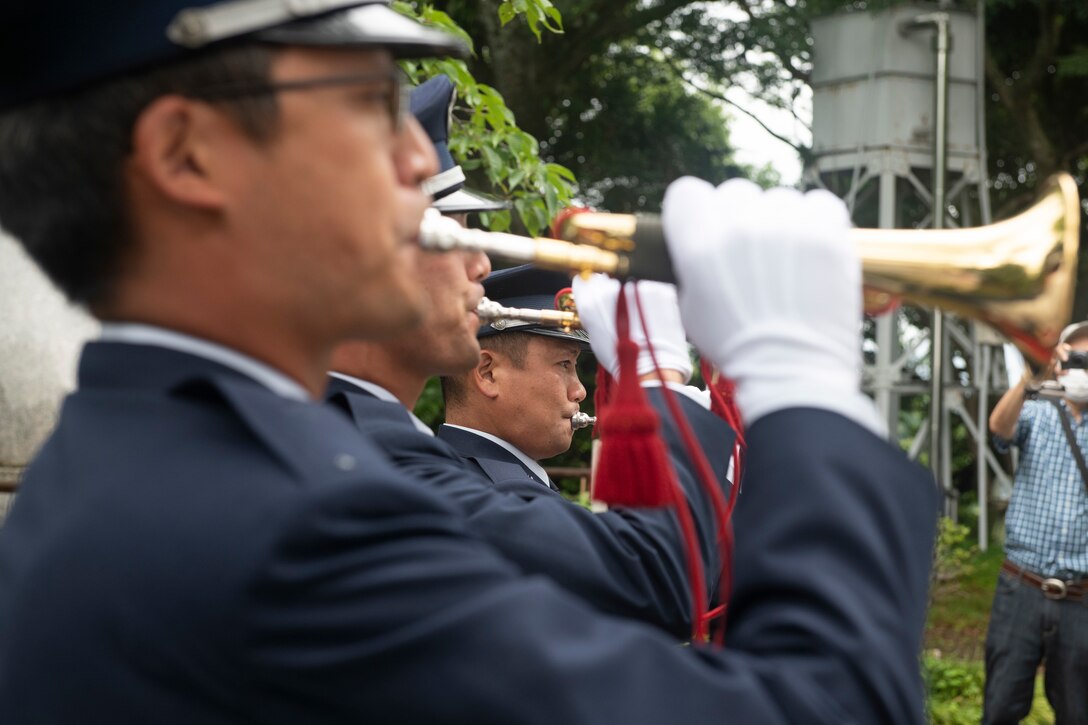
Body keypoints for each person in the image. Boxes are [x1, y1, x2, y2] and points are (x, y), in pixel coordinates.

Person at [0, 3, 939, 722]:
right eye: (369, 105)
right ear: (188, 154)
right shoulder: (287, 526)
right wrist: (802, 382)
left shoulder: (159, 462)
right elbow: (824, 704)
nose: (419, 164)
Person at [326, 76, 730, 637]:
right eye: (451, 240)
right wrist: (657, 375)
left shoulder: (377, 443)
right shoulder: (388, 463)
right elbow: (652, 584)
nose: (480, 266)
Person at [983, 321, 1088, 724]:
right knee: (1000, 708)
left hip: (1081, 598)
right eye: (1076, 358)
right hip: (1021, 588)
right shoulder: (1038, 411)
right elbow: (999, 428)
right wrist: (1032, 372)